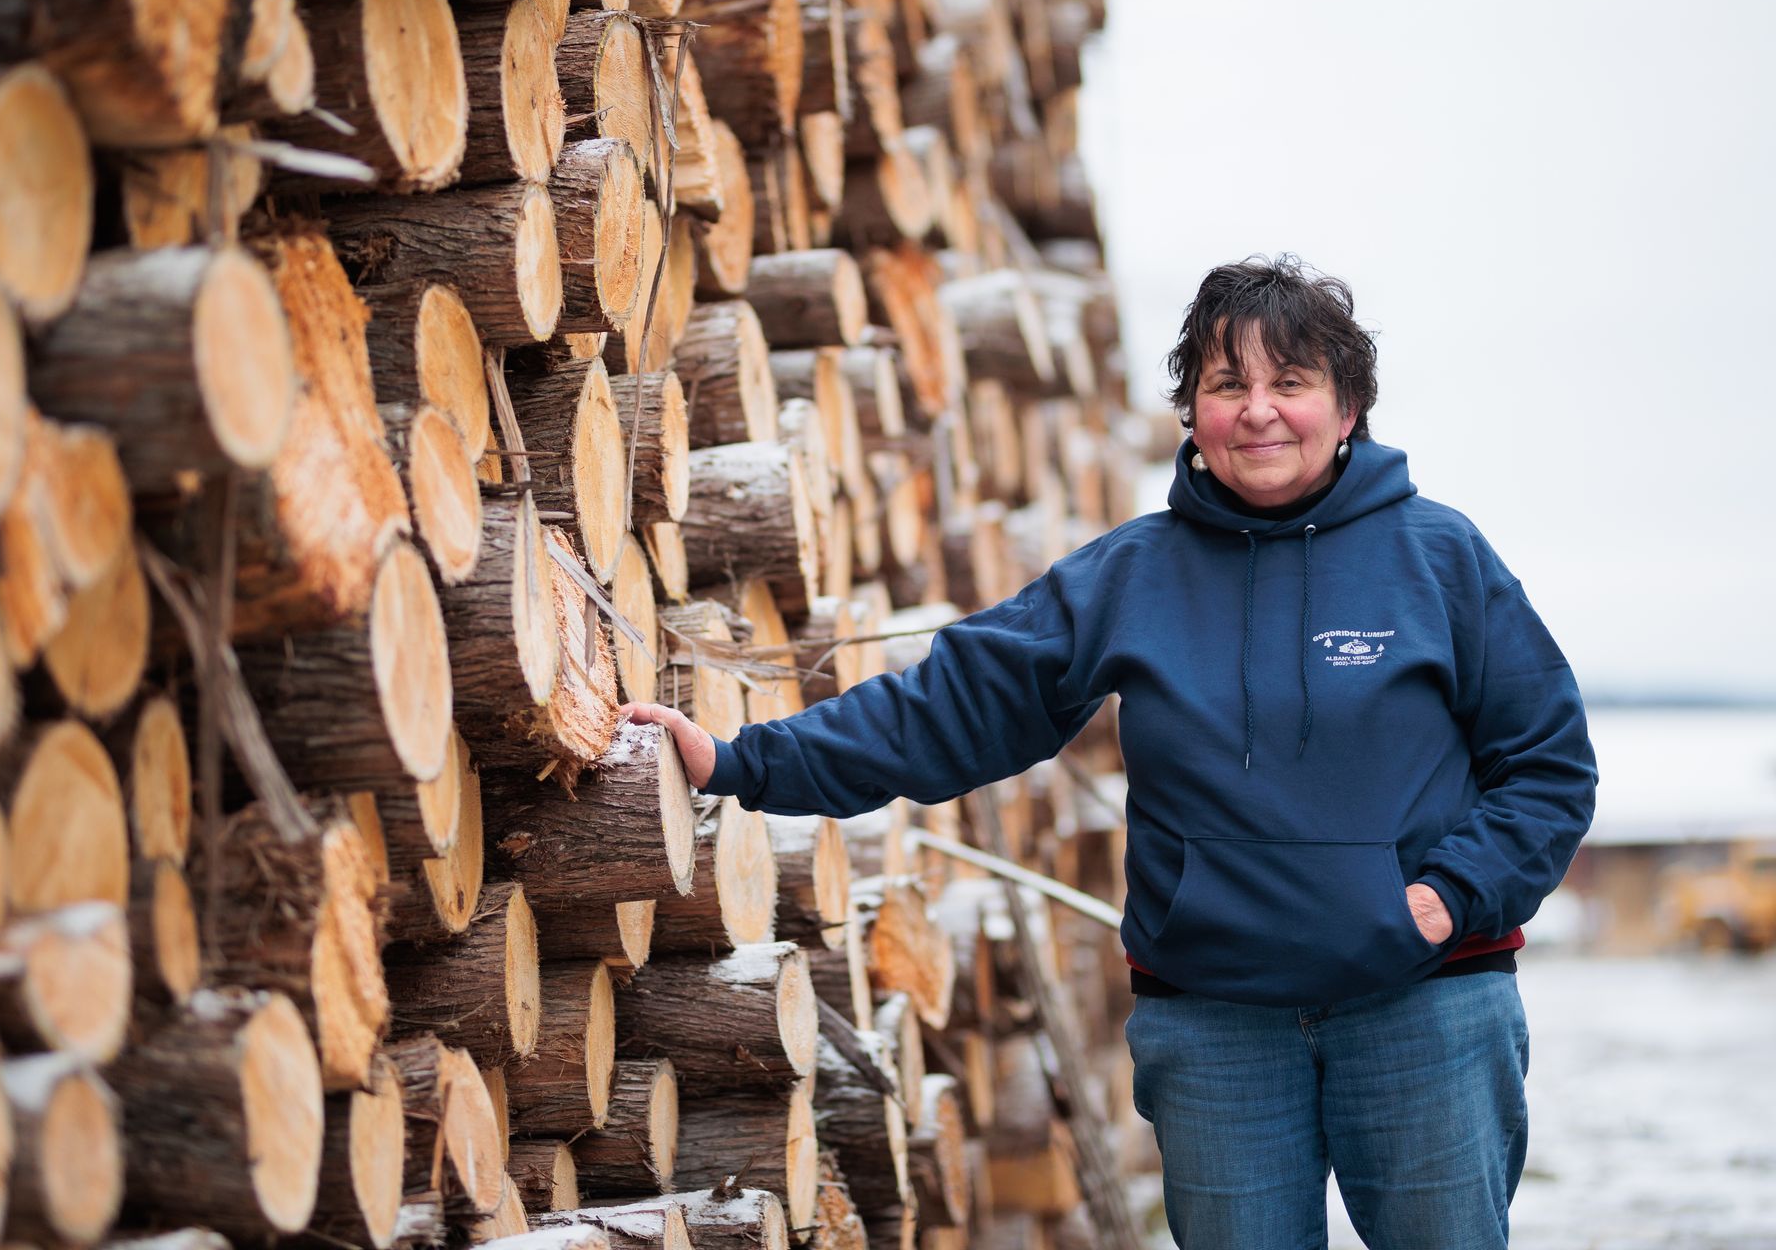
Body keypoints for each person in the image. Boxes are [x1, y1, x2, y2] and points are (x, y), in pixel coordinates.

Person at [625, 255, 1596, 1250]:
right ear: (1191, 411)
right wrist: (742, 759)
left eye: (1290, 382)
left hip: (1424, 1006)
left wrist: (1444, 897)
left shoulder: (1438, 557)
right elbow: (952, 705)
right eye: (1228, 385)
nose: (1259, 410)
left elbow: (1550, 763)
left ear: (1348, 407)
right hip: (1217, 1024)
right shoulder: (1134, 574)